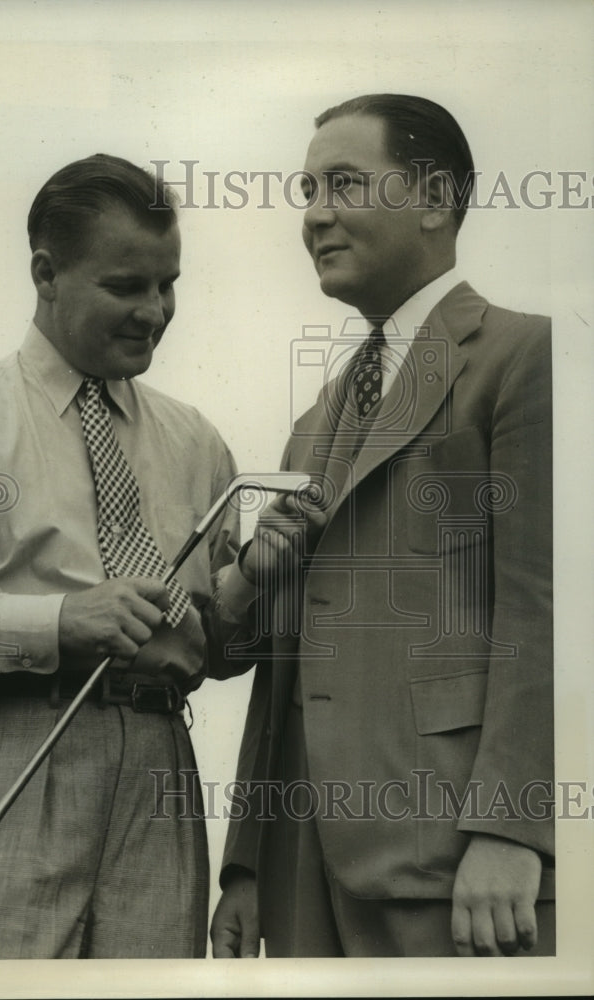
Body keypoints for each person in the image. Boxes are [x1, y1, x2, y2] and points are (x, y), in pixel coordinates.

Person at [211, 94, 554, 958]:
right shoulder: (313, 421)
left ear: (434, 200)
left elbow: (542, 610)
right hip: (300, 872)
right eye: (306, 189)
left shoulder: (527, 358)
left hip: (452, 861)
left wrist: (514, 831)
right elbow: (285, 659)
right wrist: (247, 866)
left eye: (344, 183)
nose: (314, 213)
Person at [0, 153, 252, 959]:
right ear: (45, 273)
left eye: (168, 283)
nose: (155, 310)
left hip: (161, 772)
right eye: (125, 286)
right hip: (9, 746)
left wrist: (255, 589)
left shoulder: (197, 440)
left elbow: (224, 648)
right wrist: (63, 619)